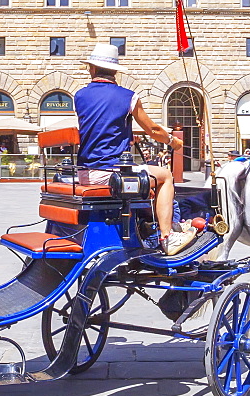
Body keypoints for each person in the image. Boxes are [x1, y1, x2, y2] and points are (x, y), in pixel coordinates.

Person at [75, 43, 193, 255]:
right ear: (115, 72)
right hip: (110, 173)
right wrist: (173, 141)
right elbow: (153, 129)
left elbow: (99, 125)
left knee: (147, 174)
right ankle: (168, 236)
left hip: (84, 173)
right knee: (165, 176)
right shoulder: (127, 96)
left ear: (92, 68)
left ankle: (150, 225)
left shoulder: (80, 96)